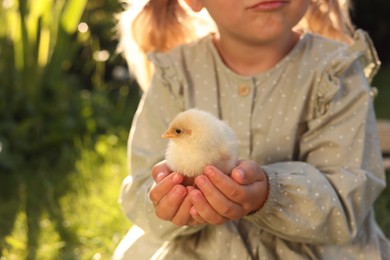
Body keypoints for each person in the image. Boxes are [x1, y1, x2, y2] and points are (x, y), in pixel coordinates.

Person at [114, 0, 390, 259]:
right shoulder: (175, 75)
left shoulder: (335, 73)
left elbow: (348, 197)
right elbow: (141, 186)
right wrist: (169, 201)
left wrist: (272, 193)